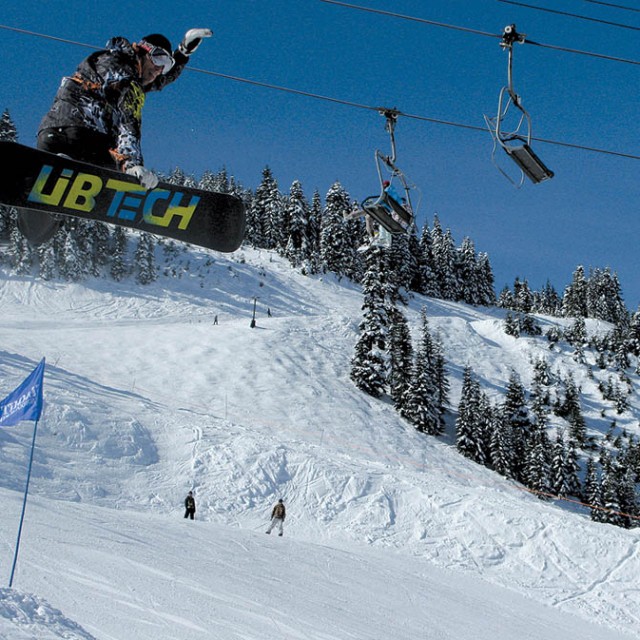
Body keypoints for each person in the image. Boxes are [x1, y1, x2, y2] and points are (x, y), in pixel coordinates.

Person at [18, 28, 213, 245]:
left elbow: (157, 81)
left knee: (37, 232)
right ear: (143, 50)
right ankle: (67, 167)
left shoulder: (113, 64)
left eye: (166, 65)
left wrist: (183, 53)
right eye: (158, 59)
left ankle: (21, 220)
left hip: (52, 133)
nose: (160, 69)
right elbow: (128, 119)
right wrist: (130, 164)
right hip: (84, 137)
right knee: (111, 176)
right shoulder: (125, 75)